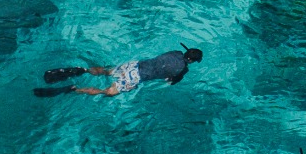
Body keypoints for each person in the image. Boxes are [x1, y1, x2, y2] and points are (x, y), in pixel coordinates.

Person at [37, 46, 202, 99]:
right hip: (137, 77)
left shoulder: (175, 52)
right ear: (192, 61)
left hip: (134, 65)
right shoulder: (183, 69)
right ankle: (74, 89)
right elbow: (169, 82)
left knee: (107, 71)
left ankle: (84, 70)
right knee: (108, 92)